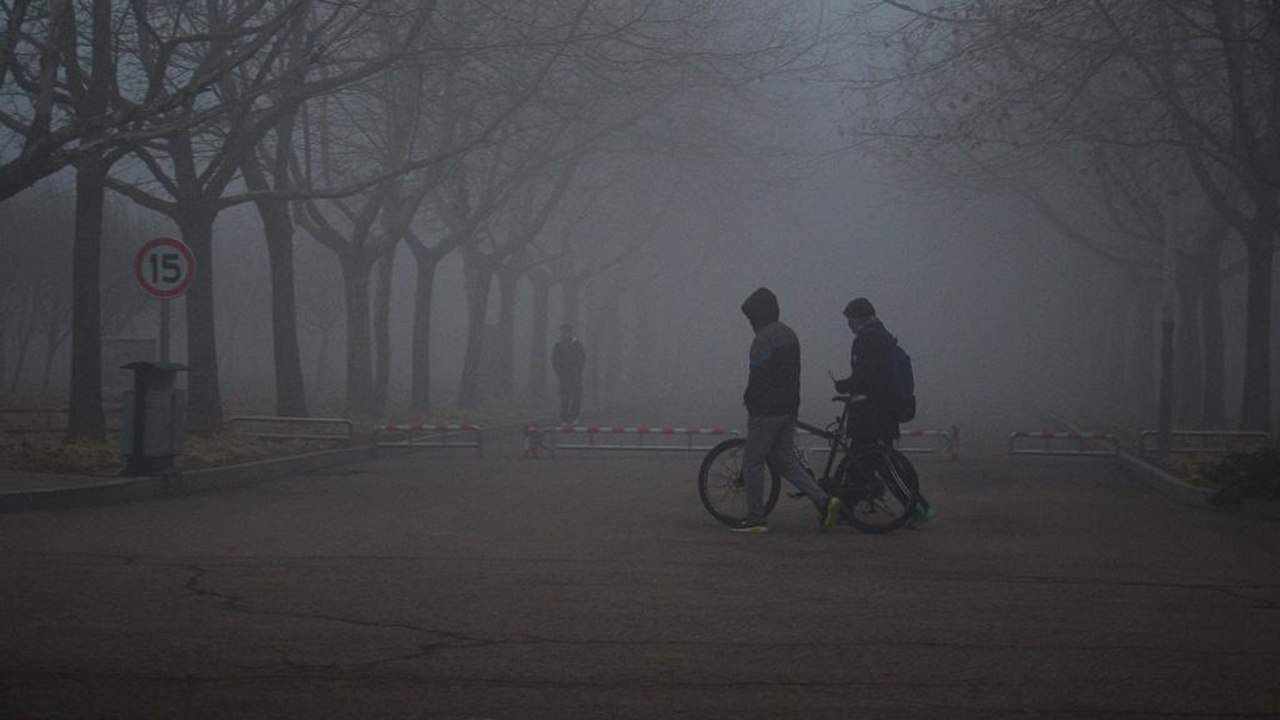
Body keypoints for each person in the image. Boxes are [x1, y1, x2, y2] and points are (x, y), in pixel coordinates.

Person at [735, 287, 841, 534]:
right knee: (785, 461)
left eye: (750, 317)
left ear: (758, 315)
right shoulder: (789, 334)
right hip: (789, 407)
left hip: (765, 410)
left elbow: (759, 377)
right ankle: (824, 501)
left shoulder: (762, 339)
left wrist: (750, 398)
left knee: (753, 462)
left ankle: (756, 519)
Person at [833, 297, 933, 525]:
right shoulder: (882, 335)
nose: (848, 325)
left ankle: (918, 507)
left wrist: (844, 385)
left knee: (884, 464)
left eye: (849, 320)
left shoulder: (867, 338)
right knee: (859, 464)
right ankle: (843, 508)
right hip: (879, 412)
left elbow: (866, 377)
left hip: (873, 414)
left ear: (857, 318)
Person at [551, 323, 586, 424]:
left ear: (570, 332)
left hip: (575, 375)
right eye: (563, 331)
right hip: (564, 376)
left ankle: (574, 417)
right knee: (564, 398)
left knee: (576, 397)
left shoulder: (578, 345)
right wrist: (559, 372)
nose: (565, 333)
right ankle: (564, 418)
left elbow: (582, 359)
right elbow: (554, 360)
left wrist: (578, 370)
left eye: (567, 331)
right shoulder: (558, 345)